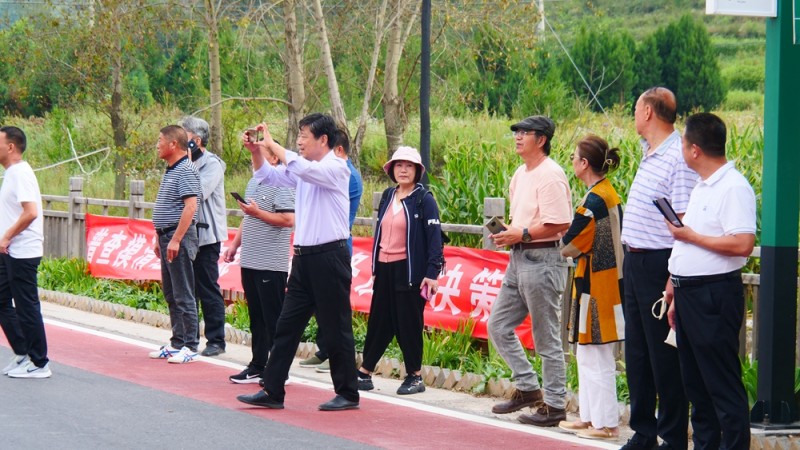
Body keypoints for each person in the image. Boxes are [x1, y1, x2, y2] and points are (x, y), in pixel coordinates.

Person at [236, 113, 359, 411]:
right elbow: (270, 176)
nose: (300, 141)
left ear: (323, 140)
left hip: (330, 257)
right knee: (286, 325)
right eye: (299, 136)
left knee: (336, 327)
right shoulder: (304, 170)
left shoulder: (336, 168)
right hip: (303, 259)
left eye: (304, 136)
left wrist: (273, 145)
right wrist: (257, 152)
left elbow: (298, 166)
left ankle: (348, 393)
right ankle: (273, 390)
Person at [665, 113, 754, 450]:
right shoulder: (702, 187)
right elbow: (690, 242)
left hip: (714, 294)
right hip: (688, 293)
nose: (683, 150)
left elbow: (743, 244)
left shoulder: (732, 187)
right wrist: (674, 284)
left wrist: (691, 236)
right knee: (697, 386)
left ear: (695, 150)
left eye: (684, 144)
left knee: (721, 384)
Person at [621, 87, 695, 450]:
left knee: (662, 354)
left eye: (636, 109)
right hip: (634, 260)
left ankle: (672, 435)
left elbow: (682, 221)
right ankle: (643, 431)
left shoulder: (677, 156)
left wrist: (671, 275)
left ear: (648, 112)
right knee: (636, 350)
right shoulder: (649, 151)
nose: (634, 115)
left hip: (658, 262)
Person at [487, 115, 572, 426]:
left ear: (542, 139)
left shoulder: (551, 175)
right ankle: (527, 387)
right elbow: (525, 220)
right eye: (517, 132)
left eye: (525, 132)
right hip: (519, 258)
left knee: (546, 337)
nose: (518, 137)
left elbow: (560, 222)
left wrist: (520, 234)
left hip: (544, 259)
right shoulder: (521, 173)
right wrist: (509, 233)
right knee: (497, 325)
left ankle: (554, 404)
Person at [356, 146, 444, 395]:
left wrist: (432, 273)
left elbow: (434, 238)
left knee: (408, 323)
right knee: (379, 321)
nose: (403, 170)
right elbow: (380, 233)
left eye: (409, 166)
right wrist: (375, 266)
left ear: (417, 170)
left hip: (410, 272)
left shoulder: (423, 199)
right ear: (392, 169)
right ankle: (365, 372)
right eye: (398, 165)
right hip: (384, 270)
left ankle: (415, 376)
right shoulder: (387, 195)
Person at [558, 135, 625, 440]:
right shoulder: (607, 193)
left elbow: (570, 242)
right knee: (589, 354)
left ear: (584, 164)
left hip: (598, 284)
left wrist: (563, 240)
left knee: (597, 355)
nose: (572, 160)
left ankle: (606, 424)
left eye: (574, 157)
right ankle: (590, 417)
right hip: (602, 281)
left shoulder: (594, 199)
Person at [224, 148, 295, 385]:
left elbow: (288, 220)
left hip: (271, 263)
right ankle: (257, 365)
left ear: (274, 158)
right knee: (256, 317)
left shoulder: (282, 183)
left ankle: (278, 371)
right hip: (250, 260)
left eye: (260, 153)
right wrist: (234, 245)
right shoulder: (254, 181)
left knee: (273, 318)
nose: (255, 158)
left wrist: (257, 212)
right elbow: (248, 217)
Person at [299, 128, 363, 374]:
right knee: (318, 303)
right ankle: (324, 350)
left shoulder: (346, 173)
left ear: (337, 149)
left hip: (335, 244)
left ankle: (335, 357)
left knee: (334, 307)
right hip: (317, 246)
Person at [148, 125, 203, 364]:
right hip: (166, 235)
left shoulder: (186, 170)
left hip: (177, 237)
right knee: (171, 292)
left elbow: (190, 206)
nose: (157, 144)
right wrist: (158, 235)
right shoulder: (171, 170)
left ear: (173, 144)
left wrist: (176, 239)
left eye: (160, 140)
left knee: (184, 292)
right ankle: (177, 342)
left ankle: (190, 345)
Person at [0, 126, 51, 379]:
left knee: (26, 306)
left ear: (11, 147)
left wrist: (8, 235)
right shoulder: (11, 173)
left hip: (22, 250)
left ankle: (40, 362)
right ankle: (22, 353)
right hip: (9, 249)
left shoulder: (21, 173)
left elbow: (30, 212)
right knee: (2, 300)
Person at [180, 116, 228, 358]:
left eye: (183, 135)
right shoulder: (182, 163)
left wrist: (186, 163)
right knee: (187, 289)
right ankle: (188, 339)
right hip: (186, 235)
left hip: (206, 236)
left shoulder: (212, 164)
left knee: (207, 287)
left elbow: (196, 192)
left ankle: (216, 340)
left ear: (195, 140)